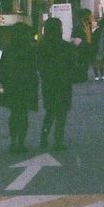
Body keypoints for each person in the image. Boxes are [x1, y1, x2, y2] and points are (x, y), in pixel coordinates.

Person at [0, 22, 39, 153]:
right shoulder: (29, 49)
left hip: (12, 86)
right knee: (23, 115)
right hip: (26, 85)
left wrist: (4, 83)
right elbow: (33, 69)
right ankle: (21, 142)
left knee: (14, 114)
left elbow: (3, 69)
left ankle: (13, 141)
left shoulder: (8, 49)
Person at [38, 17, 74, 151]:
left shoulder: (42, 46)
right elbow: (72, 64)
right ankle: (58, 140)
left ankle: (44, 136)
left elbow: (40, 65)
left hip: (48, 82)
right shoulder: (65, 46)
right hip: (64, 82)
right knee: (61, 113)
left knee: (50, 112)